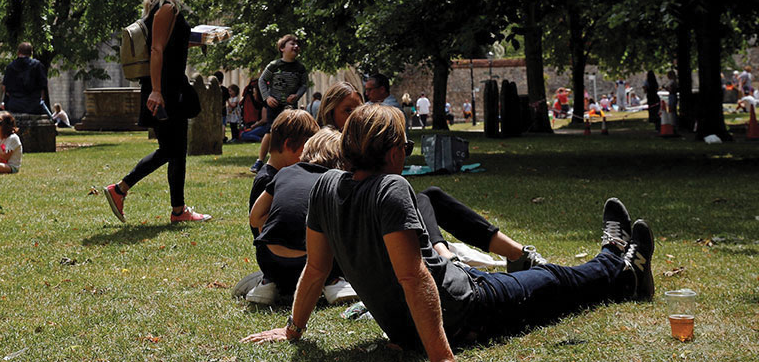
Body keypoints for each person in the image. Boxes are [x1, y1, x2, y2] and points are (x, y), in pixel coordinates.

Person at [242, 104, 654, 356]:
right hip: (466, 311)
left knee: (535, 277)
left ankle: (617, 260)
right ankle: (619, 268)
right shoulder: (391, 187)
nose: (407, 152)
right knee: (554, 280)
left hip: (423, 314)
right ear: (391, 152)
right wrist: (441, 358)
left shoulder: (326, 186)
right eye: (405, 145)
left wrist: (293, 329)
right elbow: (414, 276)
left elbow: (315, 269)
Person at [103, 0, 210, 224]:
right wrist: (157, 91)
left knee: (173, 149)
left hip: (166, 85)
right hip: (167, 88)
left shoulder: (160, 7)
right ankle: (121, 189)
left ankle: (178, 210)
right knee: (172, 150)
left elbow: (169, 45)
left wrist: (199, 39)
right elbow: (157, 49)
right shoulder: (167, 8)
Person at [247, 128, 357, 306]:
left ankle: (268, 283)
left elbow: (255, 217)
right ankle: (333, 282)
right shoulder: (335, 179)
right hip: (313, 264)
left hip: (270, 260)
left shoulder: (283, 173)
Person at [251, 35, 310, 173]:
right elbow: (262, 81)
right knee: (270, 131)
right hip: (274, 104)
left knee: (290, 133)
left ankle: (289, 161)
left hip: (289, 107)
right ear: (282, 48)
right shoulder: (274, 65)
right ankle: (260, 161)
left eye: (297, 44)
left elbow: (303, 85)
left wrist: (297, 95)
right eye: (292, 43)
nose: (296, 46)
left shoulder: (300, 68)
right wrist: (267, 98)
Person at [3, 42, 49, 115]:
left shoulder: (10, 67)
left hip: (14, 105)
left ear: (18, 52)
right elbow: (43, 87)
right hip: (33, 106)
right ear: (31, 53)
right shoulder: (37, 65)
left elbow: (5, 88)